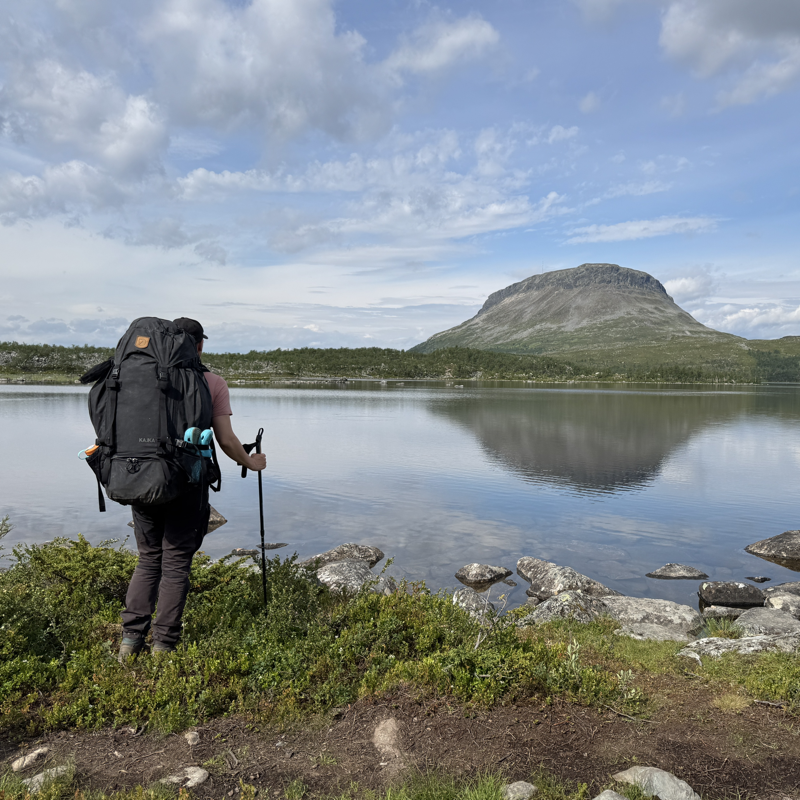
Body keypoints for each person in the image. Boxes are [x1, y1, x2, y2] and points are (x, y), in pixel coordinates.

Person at [118, 317, 266, 660]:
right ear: (199, 345)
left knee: (149, 558)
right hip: (186, 483)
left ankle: (129, 643)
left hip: (139, 476)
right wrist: (250, 462)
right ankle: (163, 648)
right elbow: (226, 440)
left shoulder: (137, 377)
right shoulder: (211, 382)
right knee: (175, 562)